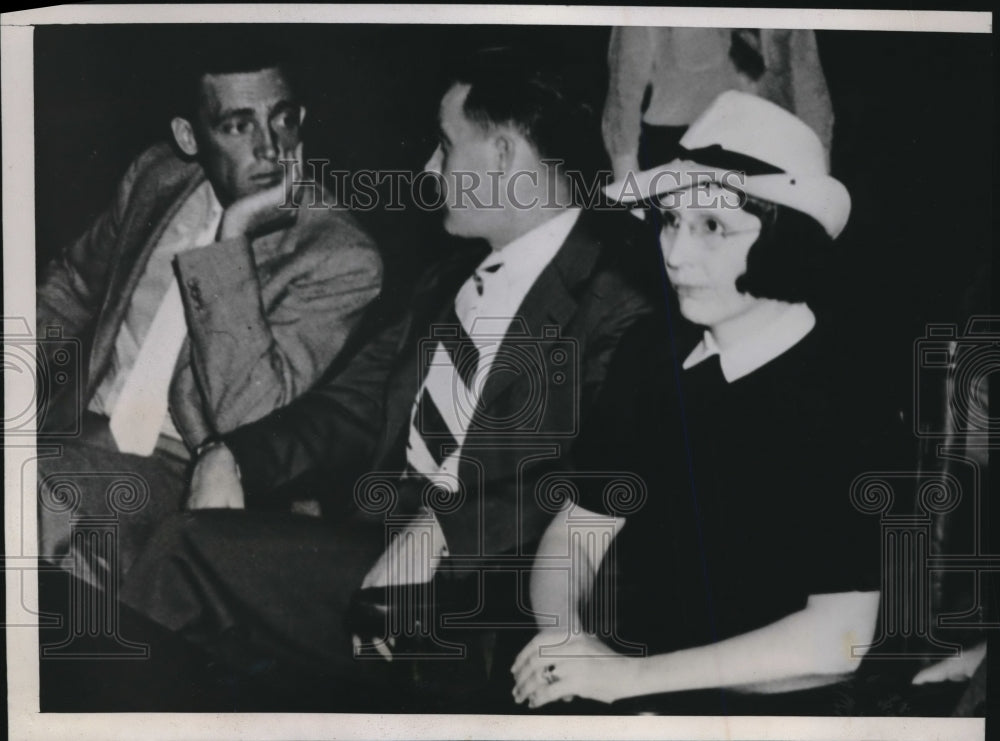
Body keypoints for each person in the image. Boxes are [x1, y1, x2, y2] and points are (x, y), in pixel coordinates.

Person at [118, 49, 653, 708]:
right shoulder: (447, 280)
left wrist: (440, 533)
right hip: (378, 551)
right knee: (187, 565)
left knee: (182, 561)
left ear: (505, 156)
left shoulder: (621, 295)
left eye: (445, 145)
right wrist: (235, 455)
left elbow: (593, 473)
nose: (430, 170)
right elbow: (355, 406)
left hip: (481, 599)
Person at [512, 90, 896, 714]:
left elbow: (840, 639)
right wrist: (563, 638)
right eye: (670, 220)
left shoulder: (847, 392)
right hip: (637, 683)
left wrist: (631, 678)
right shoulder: (651, 353)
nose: (676, 254)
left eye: (712, 227)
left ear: (785, 241)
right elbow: (579, 529)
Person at [36, 38, 383, 583]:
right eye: (238, 126)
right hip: (73, 429)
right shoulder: (157, 177)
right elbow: (75, 285)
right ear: (188, 136)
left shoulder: (338, 254)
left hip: (184, 475)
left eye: (283, 119)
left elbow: (247, 416)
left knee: (37, 495)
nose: (271, 148)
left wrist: (234, 236)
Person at [602, 27, 834, 181]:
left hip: (773, 152)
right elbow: (624, 94)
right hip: (687, 155)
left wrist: (819, 179)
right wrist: (630, 196)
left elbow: (808, 83)